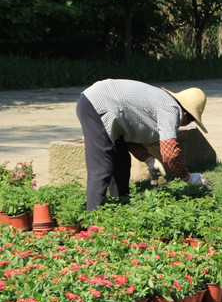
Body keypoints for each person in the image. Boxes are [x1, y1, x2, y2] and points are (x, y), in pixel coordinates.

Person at [76, 79, 211, 211]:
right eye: (192, 119)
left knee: (121, 160)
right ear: (185, 113)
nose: (187, 124)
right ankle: (92, 221)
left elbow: (128, 139)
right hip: (96, 104)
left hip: (103, 105)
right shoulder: (172, 109)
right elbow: (169, 153)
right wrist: (188, 177)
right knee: (102, 167)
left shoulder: (164, 103)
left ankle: (119, 208)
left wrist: (149, 160)